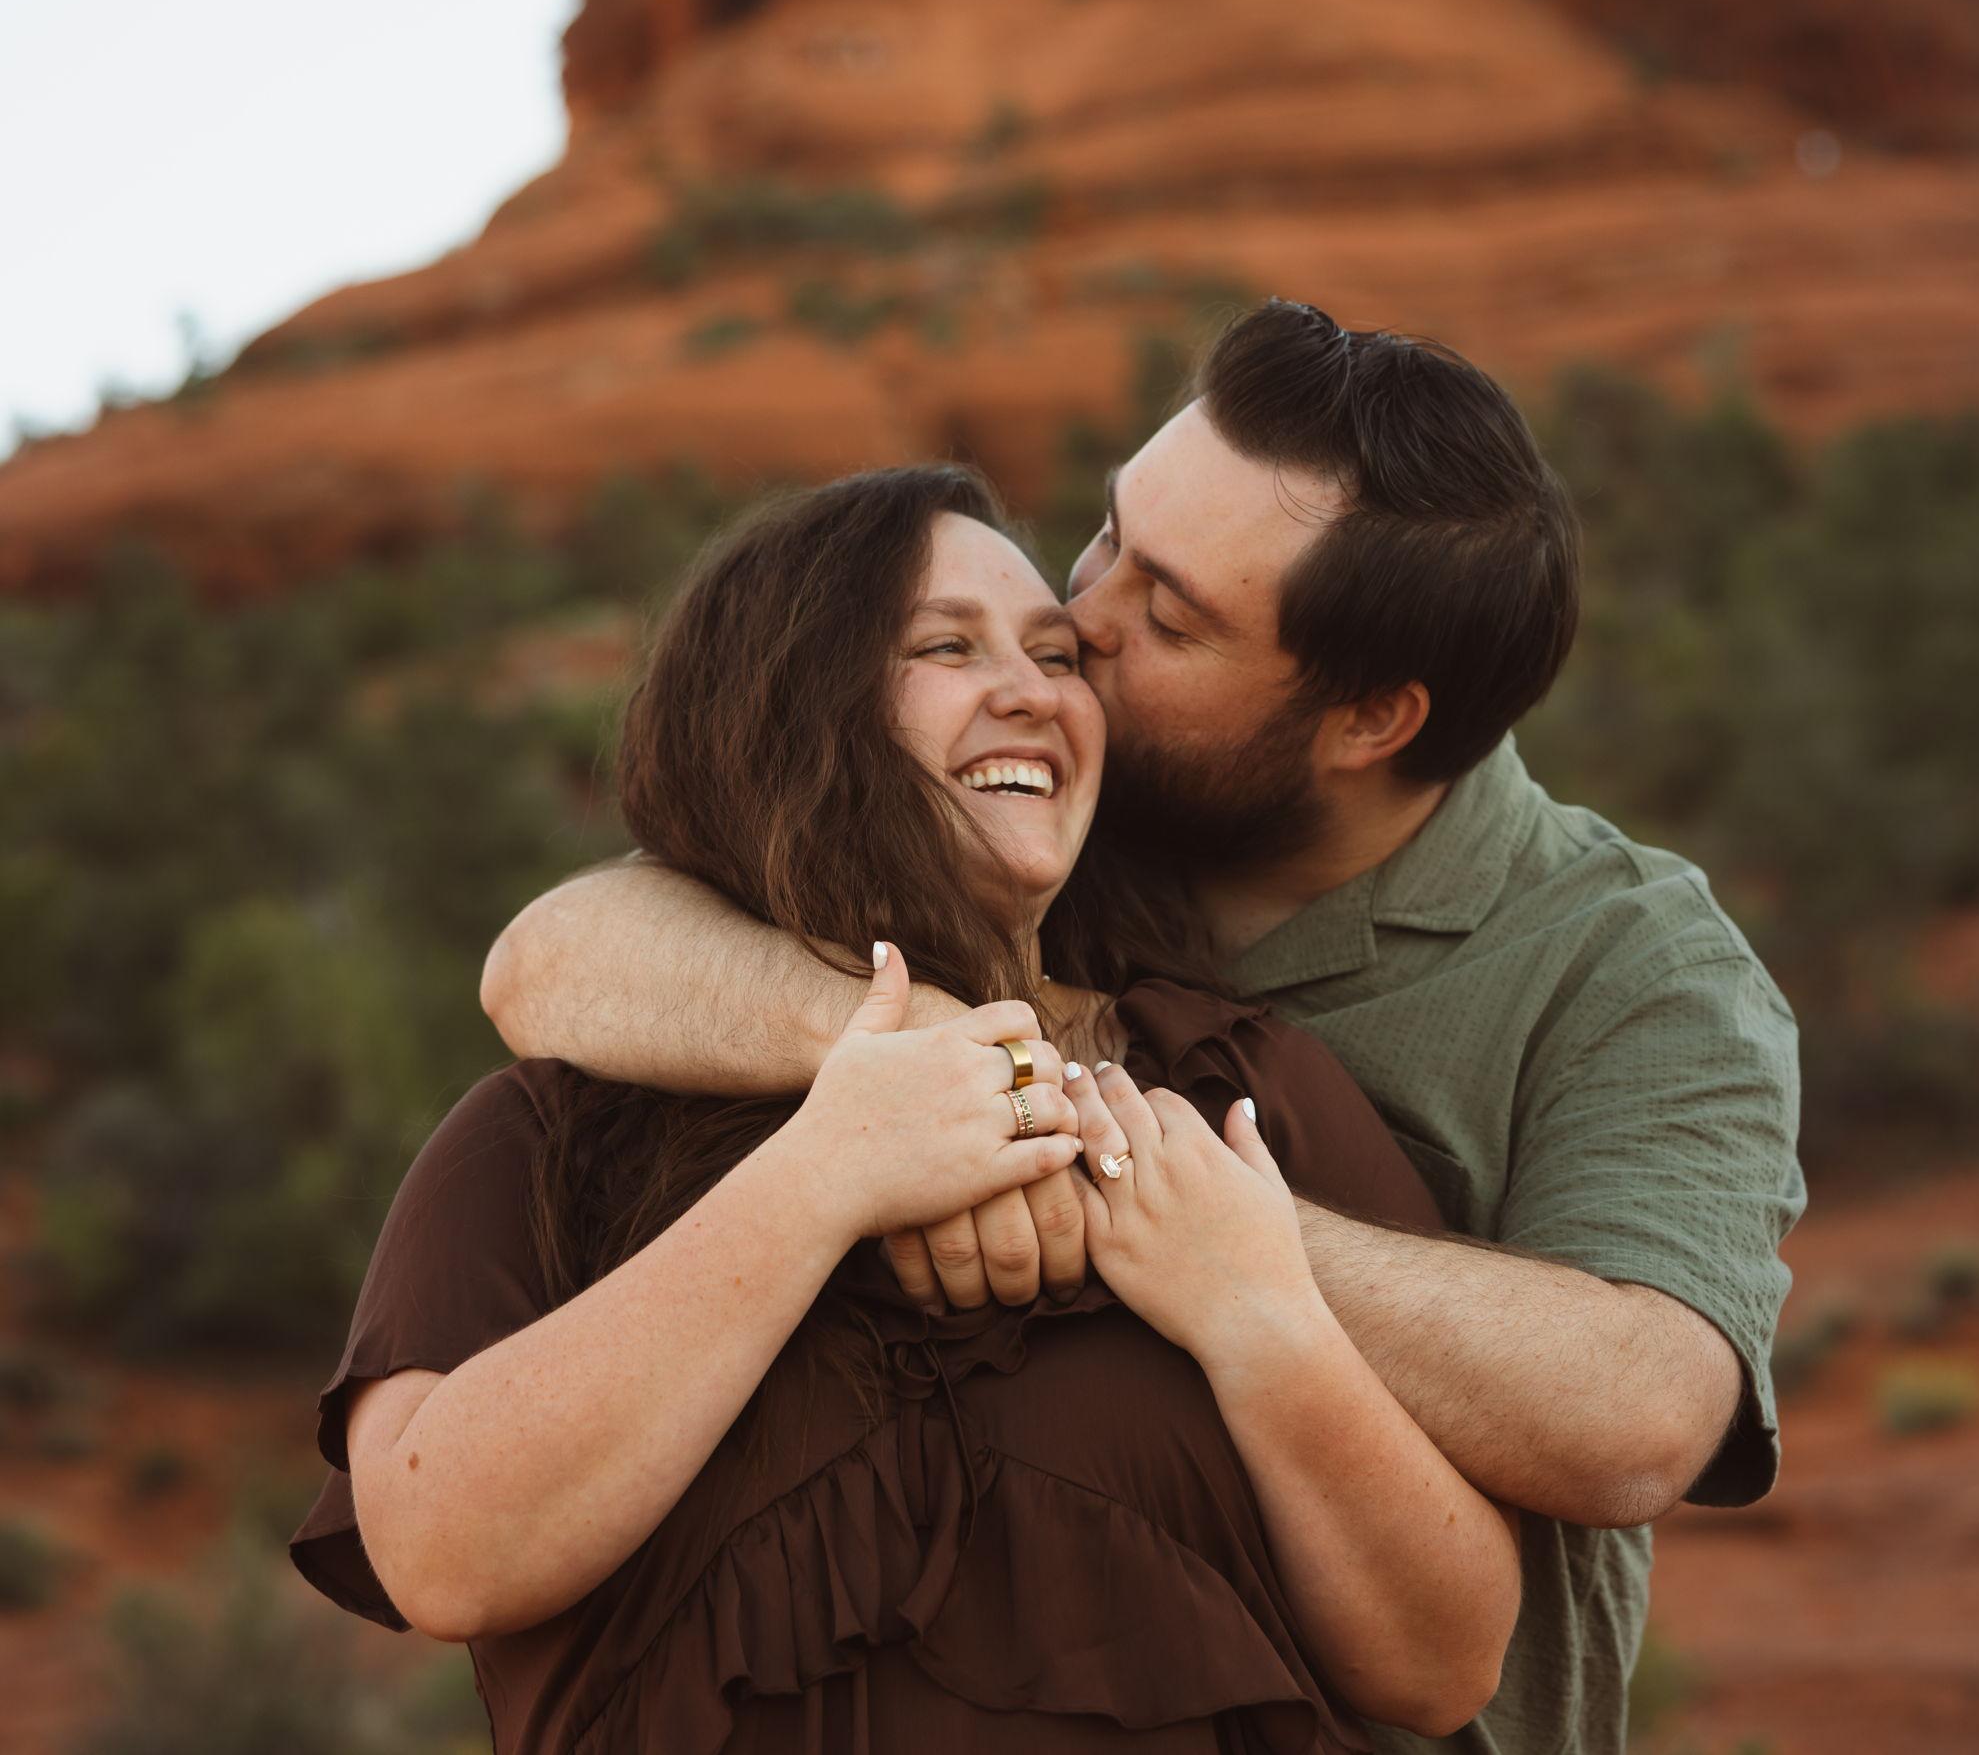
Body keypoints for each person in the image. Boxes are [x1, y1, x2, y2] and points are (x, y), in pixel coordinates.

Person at [481, 300, 1807, 1755]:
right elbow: (559, 955)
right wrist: (948, 1064)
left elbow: (1638, 1413)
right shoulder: (1036, 806)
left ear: (1368, 721)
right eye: (1111, 533)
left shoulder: (1632, 960)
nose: (1078, 626)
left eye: (1169, 615)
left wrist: (1155, 1198)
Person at [291, 462, 1522, 1752]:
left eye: (1058, 655)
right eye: (945, 644)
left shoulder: (1242, 1089)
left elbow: (1443, 1666)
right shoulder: (551, 1135)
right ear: (784, 712)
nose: (1030, 693)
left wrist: (1264, 1318)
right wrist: (825, 1175)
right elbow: (445, 1559)